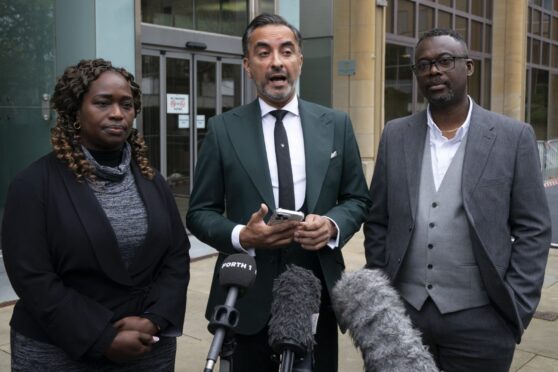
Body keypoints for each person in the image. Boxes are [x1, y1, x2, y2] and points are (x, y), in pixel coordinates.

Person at [186, 13, 370, 372]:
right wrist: (242, 235)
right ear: (247, 65)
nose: (276, 62)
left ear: (299, 60)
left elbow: (358, 199)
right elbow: (199, 212)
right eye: (263, 52)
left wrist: (331, 226)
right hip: (247, 297)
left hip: (316, 295)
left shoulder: (336, 125)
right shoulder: (223, 130)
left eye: (286, 51)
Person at [364, 28, 552, 371]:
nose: (434, 70)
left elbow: (534, 229)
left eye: (445, 61)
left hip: (483, 321)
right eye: (423, 65)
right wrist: (382, 298)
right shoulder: (395, 134)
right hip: (403, 317)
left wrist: (517, 308)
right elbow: (378, 220)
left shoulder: (513, 137)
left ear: (468, 67)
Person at [1, 58, 190, 370]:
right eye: (103, 103)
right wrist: (101, 337)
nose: (117, 113)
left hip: (146, 346)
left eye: (126, 105)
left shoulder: (152, 180)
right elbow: (33, 277)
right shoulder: (33, 184)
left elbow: (177, 256)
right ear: (75, 111)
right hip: (60, 348)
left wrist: (155, 319)